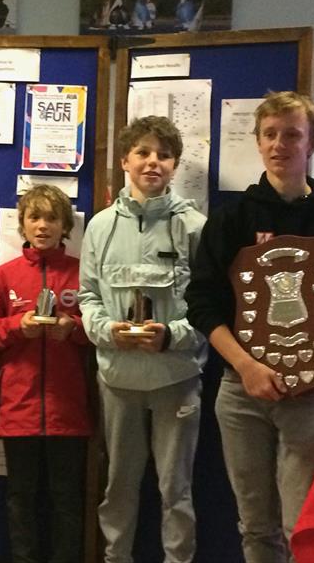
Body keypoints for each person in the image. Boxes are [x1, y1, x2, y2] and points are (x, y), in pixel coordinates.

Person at [185, 91, 314, 563]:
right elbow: (202, 304)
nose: (279, 144)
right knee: (255, 526)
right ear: (258, 142)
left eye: (292, 134)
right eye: (270, 134)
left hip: (310, 395)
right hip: (241, 391)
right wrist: (246, 367)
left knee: (302, 526)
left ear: (311, 143)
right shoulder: (231, 220)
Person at [79, 116, 207, 563]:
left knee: (177, 490)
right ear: (125, 161)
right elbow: (88, 296)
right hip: (118, 378)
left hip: (176, 378)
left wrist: (172, 336)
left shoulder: (195, 227)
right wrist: (108, 331)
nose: (153, 162)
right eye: (143, 153)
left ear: (174, 165)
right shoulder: (98, 227)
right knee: (118, 486)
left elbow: (211, 308)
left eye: (164, 155)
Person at [0, 185, 92, 563]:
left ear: (65, 226)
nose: (43, 226)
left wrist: (71, 329)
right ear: (22, 224)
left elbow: (102, 330)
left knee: (66, 499)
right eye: (34, 217)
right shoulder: (2, 277)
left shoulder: (82, 275)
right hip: (18, 407)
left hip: (67, 409)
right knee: (20, 497)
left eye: (52, 218)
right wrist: (15, 327)